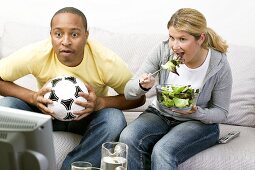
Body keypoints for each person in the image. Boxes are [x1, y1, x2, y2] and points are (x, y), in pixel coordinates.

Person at [0, 7, 145, 169]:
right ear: (51, 35)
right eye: (58, 34)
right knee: (6, 107)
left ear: (86, 35)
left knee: (114, 119)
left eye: (74, 34)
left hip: (87, 118)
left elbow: (139, 97)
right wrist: (32, 97)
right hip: (46, 115)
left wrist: (100, 103)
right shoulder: (37, 53)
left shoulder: (105, 60)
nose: (66, 41)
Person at [119, 8, 232, 170]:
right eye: (171, 37)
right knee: (128, 137)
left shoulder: (219, 64)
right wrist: (141, 85)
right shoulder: (163, 50)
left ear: (201, 38)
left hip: (197, 122)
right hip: (159, 114)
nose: (174, 46)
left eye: (182, 39)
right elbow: (129, 91)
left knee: (163, 150)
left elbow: (221, 112)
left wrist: (196, 112)